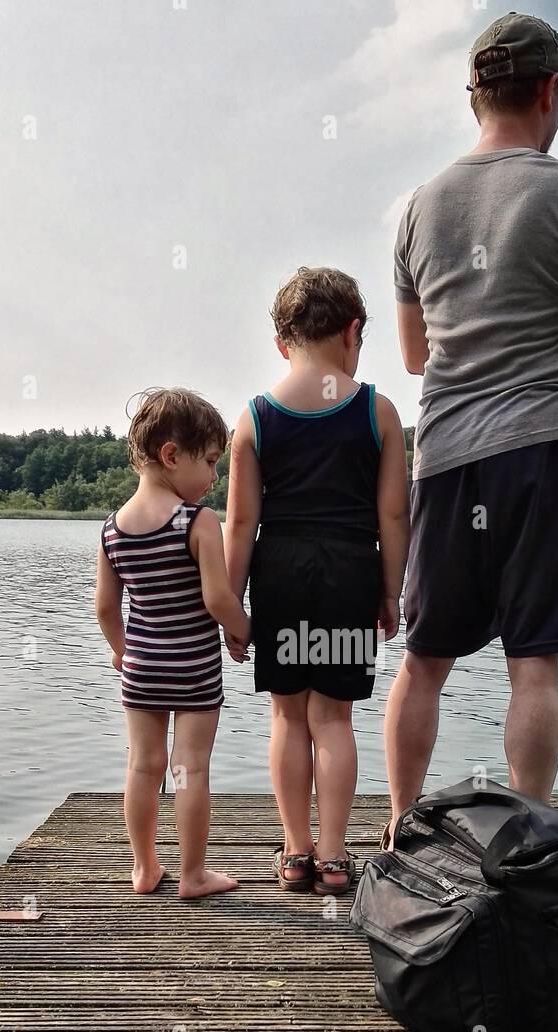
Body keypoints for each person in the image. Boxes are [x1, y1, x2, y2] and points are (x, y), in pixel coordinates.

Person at [385, 11, 558, 823]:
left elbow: (415, 356)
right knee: (535, 669)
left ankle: (398, 826)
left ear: (477, 98)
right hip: (540, 454)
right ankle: (528, 847)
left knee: (424, 661)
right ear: (546, 92)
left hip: (447, 458)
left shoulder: (418, 207)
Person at [225, 267, 409, 894]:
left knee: (287, 717)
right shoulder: (376, 412)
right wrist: (391, 591)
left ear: (282, 341)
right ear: (353, 332)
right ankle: (334, 857)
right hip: (350, 572)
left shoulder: (253, 418)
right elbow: (393, 515)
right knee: (334, 719)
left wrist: (231, 607)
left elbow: (242, 520)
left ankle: (296, 851)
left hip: (279, 570)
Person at [95, 387, 250, 899]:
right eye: (209, 461)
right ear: (170, 455)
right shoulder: (197, 521)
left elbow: (104, 607)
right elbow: (218, 598)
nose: (214, 475)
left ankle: (143, 868)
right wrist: (244, 629)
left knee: (142, 765)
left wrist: (123, 651)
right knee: (190, 768)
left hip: (142, 667)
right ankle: (193, 875)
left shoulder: (112, 530)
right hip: (193, 669)